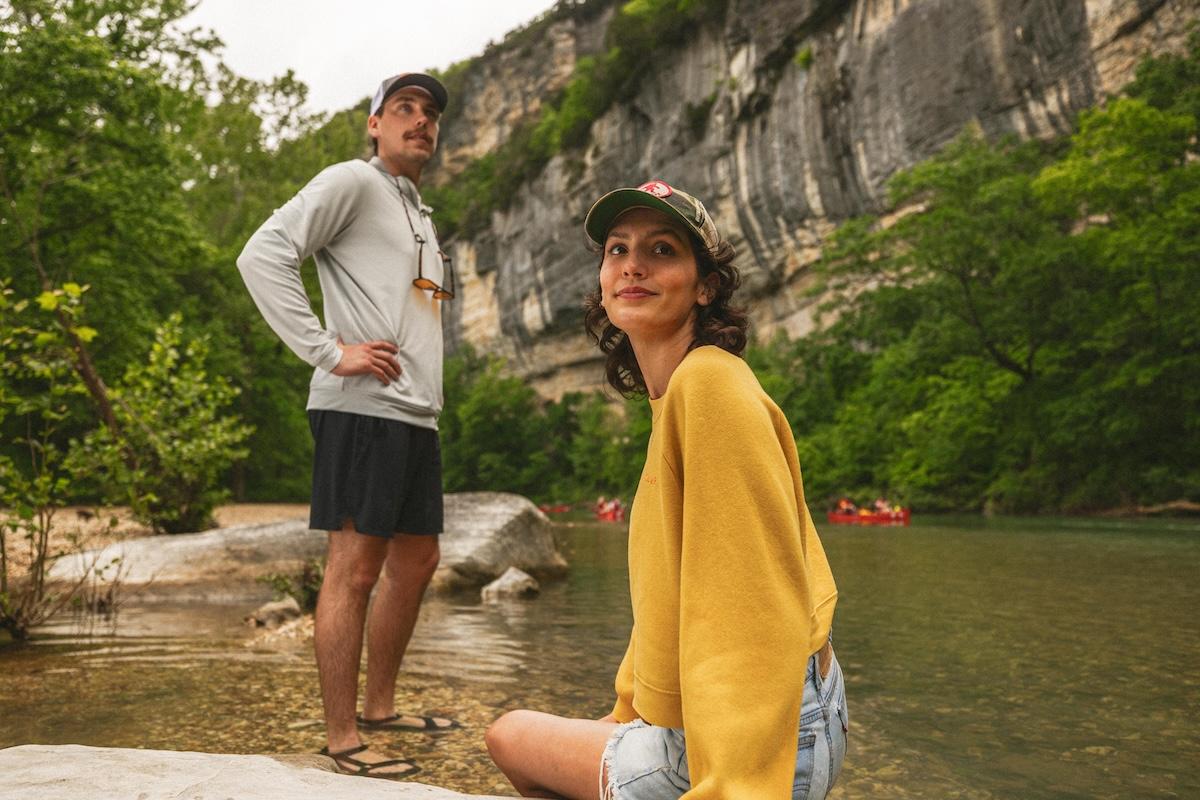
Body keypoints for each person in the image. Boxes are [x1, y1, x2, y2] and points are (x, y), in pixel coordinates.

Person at [485, 180, 848, 799]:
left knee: (512, 736)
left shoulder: (708, 389)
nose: (632, 265)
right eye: (617, 250)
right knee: (536, 740)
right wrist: (627, 712)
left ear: (705, 286)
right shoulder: (677, 396)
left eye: (661, 250)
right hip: (771, 719)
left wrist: (734, 787)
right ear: (602, 278)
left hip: (771, 736)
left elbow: (752, 607)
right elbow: (668, 598)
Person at [236, 72, 459, 780]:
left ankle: (381, 709)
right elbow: (262, 255)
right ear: (374, 123)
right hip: (361, 408)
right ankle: (342, 742)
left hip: (414, 414)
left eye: (429, 113)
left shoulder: (418, 213)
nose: (419, 121)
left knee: (417, 562)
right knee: (355, 568)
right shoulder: (351, 184)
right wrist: (330, 351)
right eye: (404, 109)